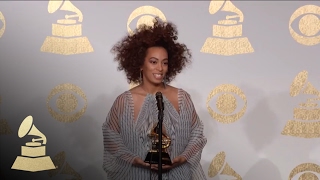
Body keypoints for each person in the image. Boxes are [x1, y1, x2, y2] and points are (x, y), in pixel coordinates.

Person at [102, 17, 207, 180]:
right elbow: (110, 137)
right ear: (140, 63)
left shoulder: (182, 98)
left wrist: (182, 158)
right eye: (153, 62)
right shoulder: (124, 101)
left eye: (164, 63)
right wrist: (134, 160)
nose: (160, 68)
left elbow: (197, 134)